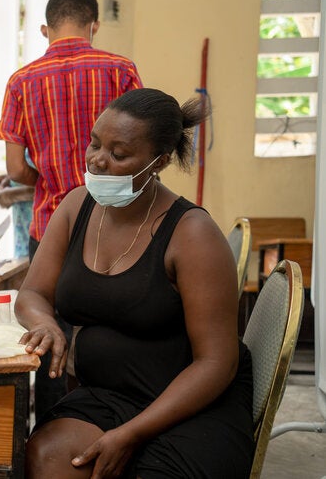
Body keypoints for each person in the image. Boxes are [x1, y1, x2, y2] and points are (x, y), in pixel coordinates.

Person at [16, 88, 254, 478]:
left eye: (119, 153)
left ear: (158, 162)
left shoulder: (191, 234)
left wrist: (130, 434)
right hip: (106, 399)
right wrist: (43, 322)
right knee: (46, 459)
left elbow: (217, 362)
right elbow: (33, 293)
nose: (98, 159)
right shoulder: (76, 207)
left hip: (191, 408)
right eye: (95, 143)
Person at [0, 0, 142, 421]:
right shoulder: (120, 70)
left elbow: (16, 170)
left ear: (47, 28)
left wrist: (47, 175)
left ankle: (51, 428)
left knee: (48, 333)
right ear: (94, 24)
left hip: (52, 228)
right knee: (114, 333)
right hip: (118, 225)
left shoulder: (22, 81)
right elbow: (142, 147)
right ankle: (114, 421)